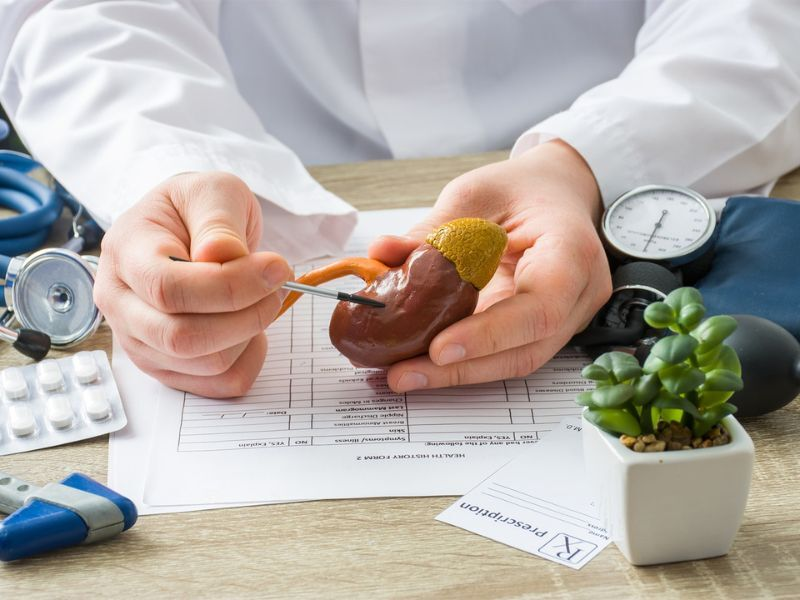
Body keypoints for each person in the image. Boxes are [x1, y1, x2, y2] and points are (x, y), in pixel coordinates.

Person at [1, 1, 799, 398]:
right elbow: (76, 15)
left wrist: (587, 163)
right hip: (266, 157)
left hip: (609, 150)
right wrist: (168, 166)